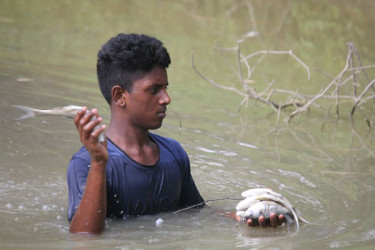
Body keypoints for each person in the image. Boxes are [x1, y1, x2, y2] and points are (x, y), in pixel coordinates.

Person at [66, 33, 284, 234]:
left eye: (166, 88)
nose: (166, 98)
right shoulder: (85, 163)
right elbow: (84, 238)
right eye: (154, 90)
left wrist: (246, 218)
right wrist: (98, 162)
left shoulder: (174, 153)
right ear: (120, 95)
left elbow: (196, 213)